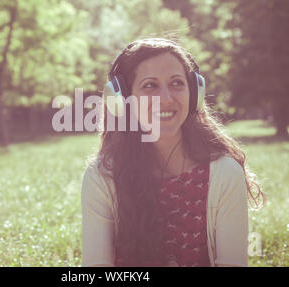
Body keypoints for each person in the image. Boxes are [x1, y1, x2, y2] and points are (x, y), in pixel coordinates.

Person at [81, 38, 265, 267]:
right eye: (150, 86)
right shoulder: (102, 176)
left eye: (177, 83)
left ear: (194, 94)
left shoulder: (225, 174)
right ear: (123, 100)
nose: (166, 99)